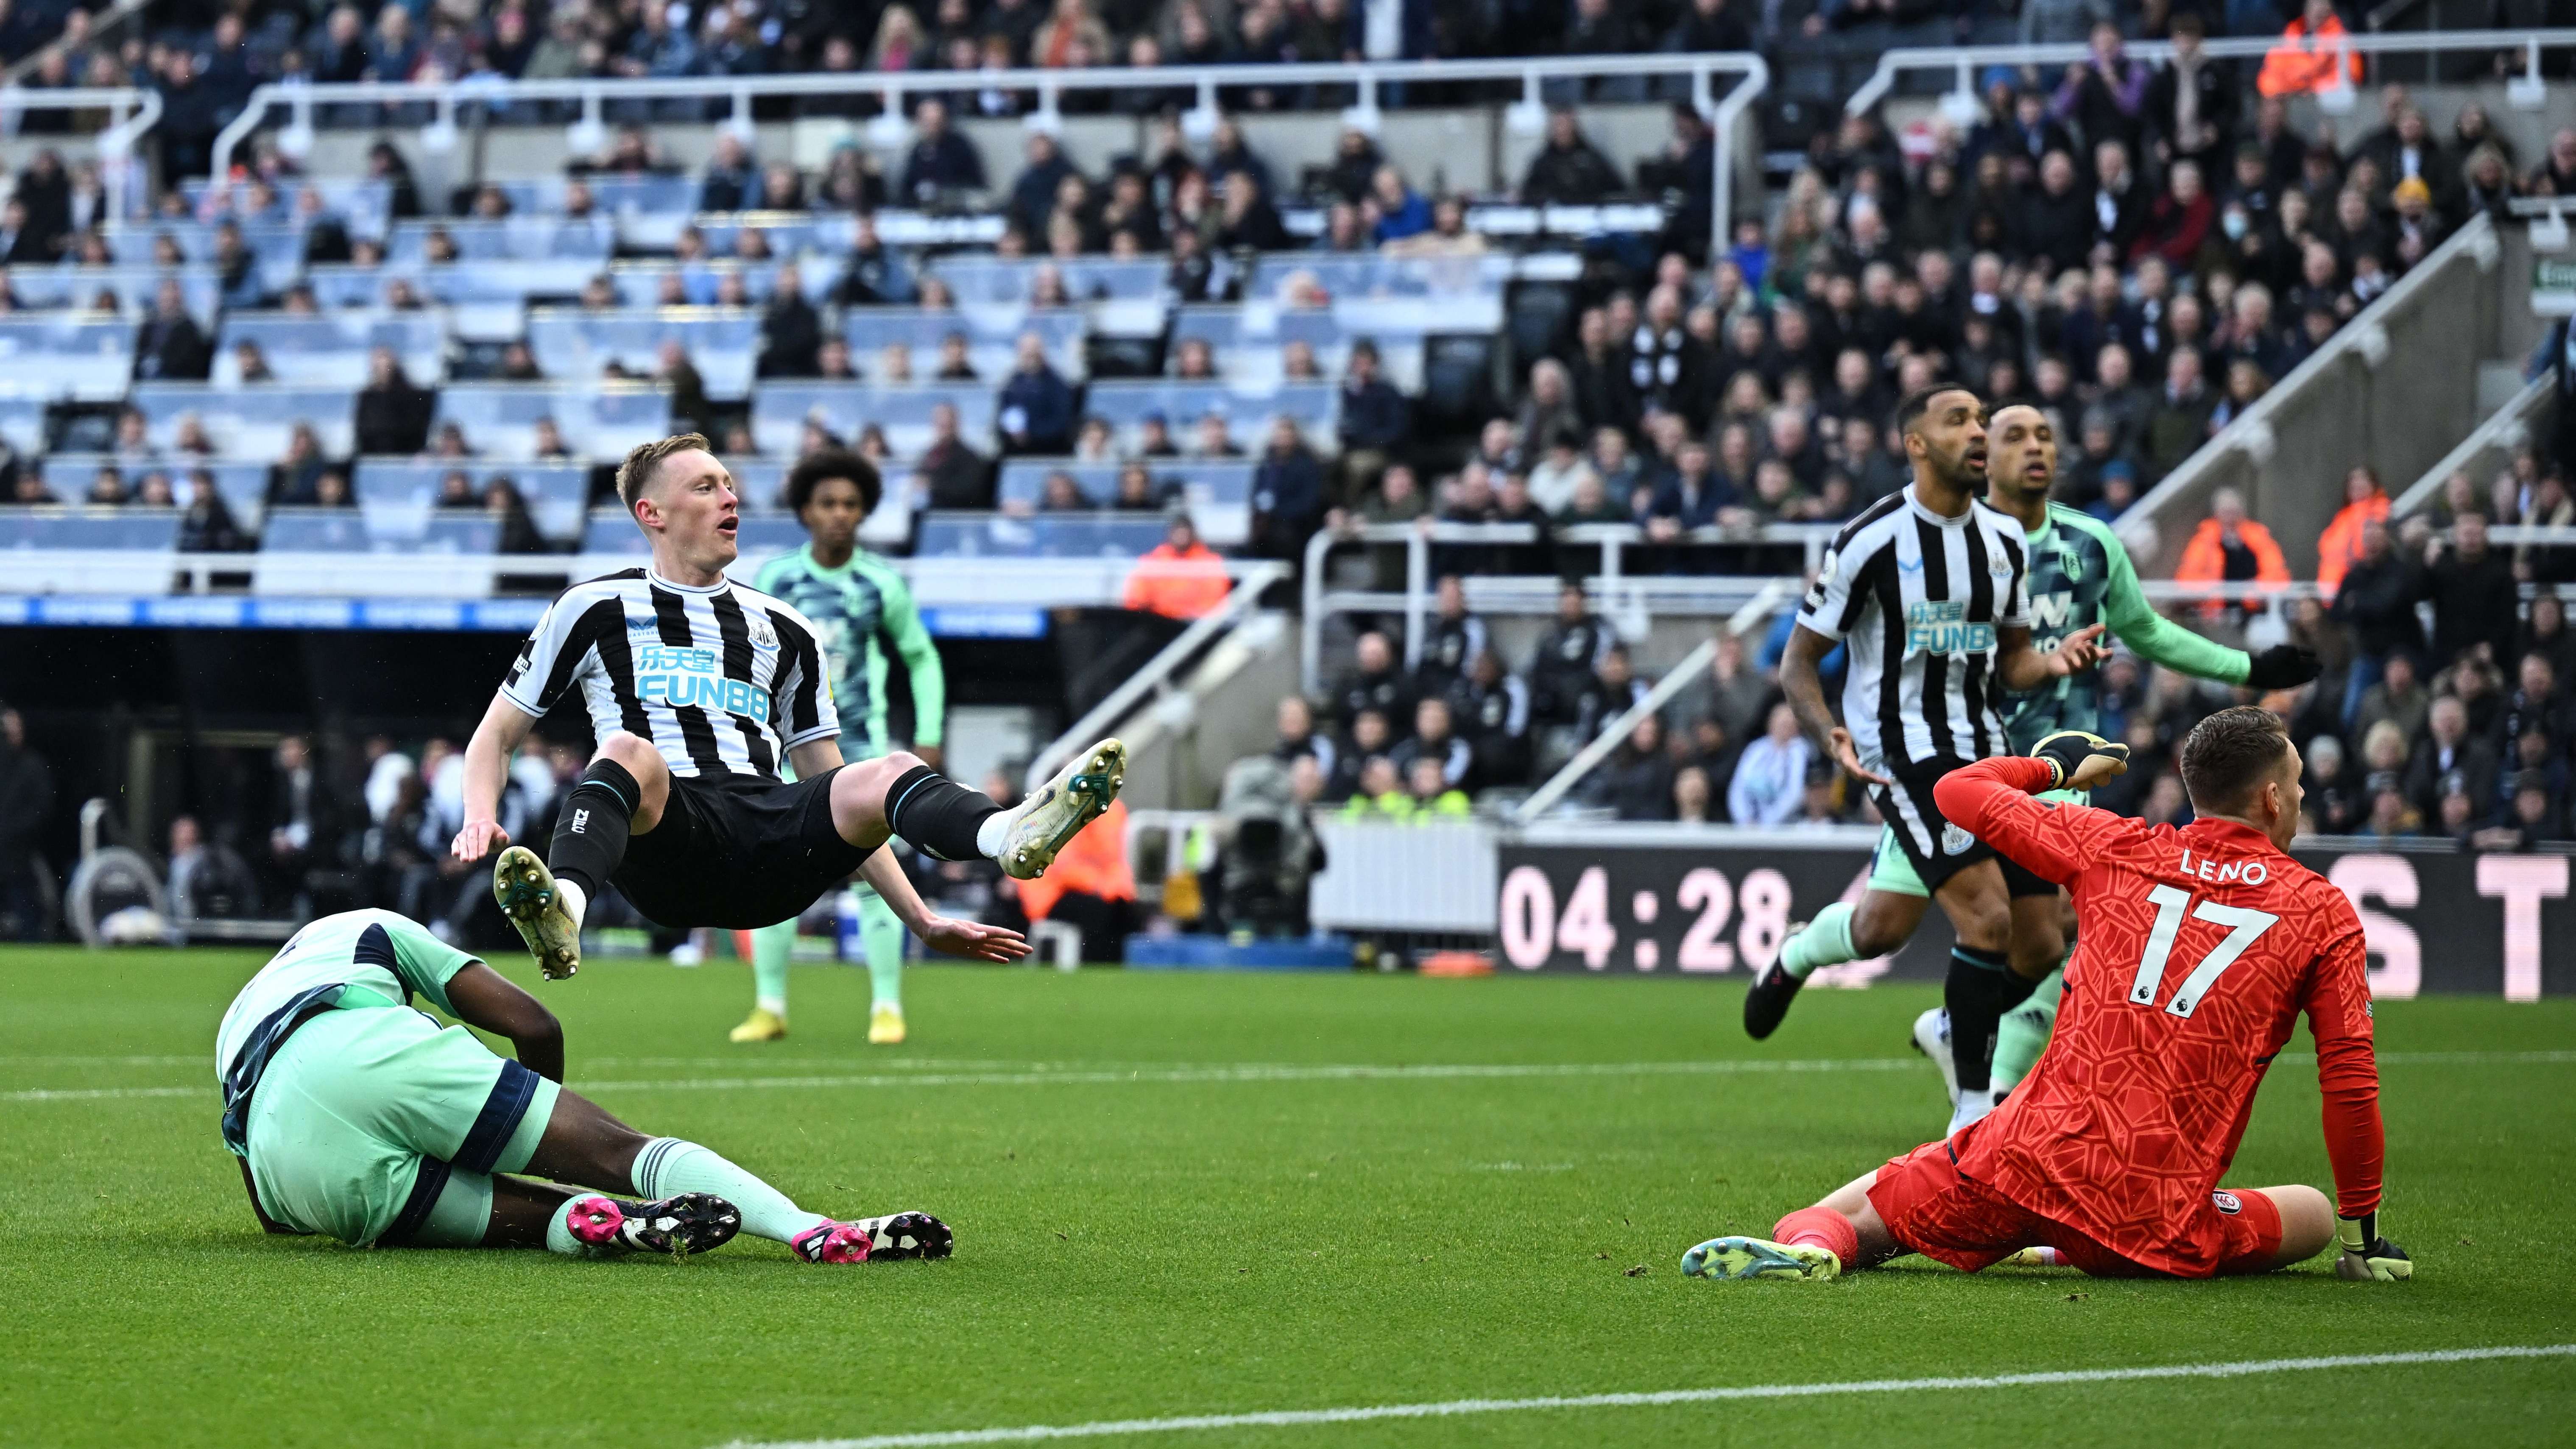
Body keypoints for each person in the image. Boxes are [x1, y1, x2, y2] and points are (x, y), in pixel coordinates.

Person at [1682, 711, 2409, 1288]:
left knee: (1848, 1211)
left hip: (2022, 1164)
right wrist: (2361, 1239)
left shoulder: (2117, 845)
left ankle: (1820, 1246)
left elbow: (1956, 792)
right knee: (2311, 1212)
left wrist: (2052, 765)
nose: (2304, 796)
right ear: (2273, 797)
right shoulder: (2321, 910)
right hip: (2155, 1216)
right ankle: (2065, 1247)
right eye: (2300, 783)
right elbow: (2349, 1082)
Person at [448, 434, 1124, 981]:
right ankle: (561, 911)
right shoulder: (592, 607)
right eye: (704, 486)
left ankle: (1005, 835)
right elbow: (494, 737)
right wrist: (481, 816)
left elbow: (834, 791)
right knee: (625, 748)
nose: (729, 496)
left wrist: (922, 920)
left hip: (766, 844)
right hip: (668, 845)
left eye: (730, 484)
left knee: (883, 767)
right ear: (650, 514)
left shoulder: (784, 626)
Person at [1900, 404, 2319, 1123]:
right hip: (1961, 754)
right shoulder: (1953, 547)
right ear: (1982, 455)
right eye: (2016, 437)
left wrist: (2248, 663)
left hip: (2064, 764)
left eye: (2046, 438)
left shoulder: (2091, 543)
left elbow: (2147, 630)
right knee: (1883, 923)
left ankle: (1984, 1090)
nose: (2035, 449)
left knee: (2054, 923)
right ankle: (1810, 967)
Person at [1744, 387, 2108, 1136]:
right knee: (1989, 920)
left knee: (2030, 939)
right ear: (1916, 443)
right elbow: (1799, 661)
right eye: (1960, 421)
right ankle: (1973, 1113)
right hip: (1904, 755)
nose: (1980, 432)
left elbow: (2010, 665)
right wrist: (1829, 733)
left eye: (1982, 420)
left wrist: (2056, 660)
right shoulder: (1869, 540)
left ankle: (1826, 965)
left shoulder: (2004, 543)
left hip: (1988, 751)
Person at [219, 907, 957, 1263]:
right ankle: (808, 1227)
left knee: (520, 1219)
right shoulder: (368, 927)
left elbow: (269, 1213)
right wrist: (535, 1125)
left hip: (296, 1164)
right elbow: (535, 1023)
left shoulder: (236, 1019)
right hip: (360, 1046)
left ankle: (597, 1223)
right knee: (623, 1152)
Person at [725, 450, 950, 1048]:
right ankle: (769, 1004)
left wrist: (928, 731)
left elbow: (921, 656)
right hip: (785, 749)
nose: (839, 515)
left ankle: (886, 1007)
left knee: (874, 870)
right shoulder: (775, 579)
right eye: (827, 503)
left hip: (861, 748)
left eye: (851, 504)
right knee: (776, 869)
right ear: (805, 510)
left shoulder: (879, 582)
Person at [1122, 512, 1231, 620]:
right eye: (1177, 530)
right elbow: (1136, 599)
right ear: (1170, 533)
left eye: (1185, 530)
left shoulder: (1209, 562)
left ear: (1193, 533)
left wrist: (1186, 615)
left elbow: (1215, 601)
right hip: (1159, 623)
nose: (1181, 534)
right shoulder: (1154, 561)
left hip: (1194, 625)